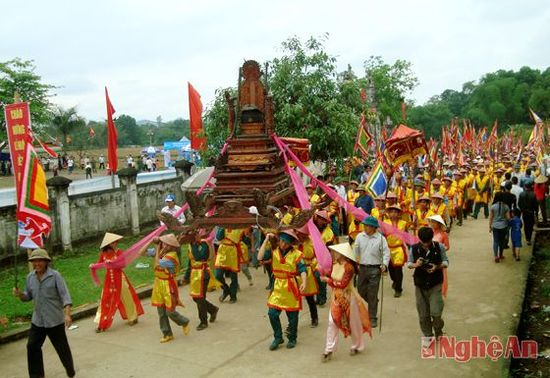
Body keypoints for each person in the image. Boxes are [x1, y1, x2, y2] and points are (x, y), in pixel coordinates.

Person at [13, 249, 76, 378]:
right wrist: (20, 295)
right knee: (32, 347)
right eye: (34, 261)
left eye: (40, 260)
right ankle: (37, 375)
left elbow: (65, 296)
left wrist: (67, 314)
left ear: (46, 262)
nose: (37, 263)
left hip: (54, 320)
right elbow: (28, 297)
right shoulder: (30, 277)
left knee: (62, 349)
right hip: (38, 320)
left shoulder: (55, 276)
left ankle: (70, 370)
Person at [320, 243, 372, 361]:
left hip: (348, 298)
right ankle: (328, 350)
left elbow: (342, 284)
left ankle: (357, 345)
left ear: (342, 254)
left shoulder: (349, 267)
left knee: (353, 324)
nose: (333, 254)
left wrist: (327, 280)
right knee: (332, 322)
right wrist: (321, 271)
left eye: (335, 252)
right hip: (336, 298)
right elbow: (329, 275)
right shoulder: (335, 264)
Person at [257, 229, 307, 350]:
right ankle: (278, 337)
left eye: (286, 242)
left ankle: (292, 338)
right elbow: (260, 257)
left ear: (291, 244)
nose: (283, 244)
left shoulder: (296, 254)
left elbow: (302, 269)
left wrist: (304, 282)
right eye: (282, 241)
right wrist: (266, 240)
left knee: (292, 316)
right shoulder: (273, 251)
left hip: (291, 286)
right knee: (272, 313)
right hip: (278, 286)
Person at [407, 227, 449, 349]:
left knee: (436, 312)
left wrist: (437, 266)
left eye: (428, 242)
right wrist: (416, 264)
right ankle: (427, 335)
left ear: (431, 239)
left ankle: (438, 329)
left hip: (435, 283)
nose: (425, 244)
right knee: (423, 314)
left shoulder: (439, 247)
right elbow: (409, 263)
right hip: (420, 284)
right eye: (423, 242)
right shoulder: (414, 248)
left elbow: (446, 262)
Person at [93, 233, 144, 332]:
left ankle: (133, 317)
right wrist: (93, 266)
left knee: (126, 297)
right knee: (105, 298)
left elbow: (123, 264)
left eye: (115, 242)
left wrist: (113, 263)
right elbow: (100, 264)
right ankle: (101, 321)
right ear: (108, 244)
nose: (115, 244)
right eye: (112, 242)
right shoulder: (103, 254)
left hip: (120, 278)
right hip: (109, 279)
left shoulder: (119, 252)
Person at [145, 234, 190, 343]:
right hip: (158, 283)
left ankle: (184, 321)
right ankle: (167, 333)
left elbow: (157, 263)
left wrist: (156, 248)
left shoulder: (172, 257)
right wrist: (149, 240)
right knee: (161, 311)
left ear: (171, 246)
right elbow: (141, 253)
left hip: (168, 284)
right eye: (163, 242)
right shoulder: (161, 251)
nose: (163, 244)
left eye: (166, 243)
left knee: (170, 311)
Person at [352, 216, 390, 328]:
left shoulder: (381, 239)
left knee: (372, 293)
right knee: (361, 291)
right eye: (364, 225)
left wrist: (384, 264)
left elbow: (386, 253)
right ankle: (373, 302)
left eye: (367, 225)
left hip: (375, 269)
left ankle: (372, 317)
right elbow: (355, 251)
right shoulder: (359, 236)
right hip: (362, 268)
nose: (365, 227)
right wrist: (353, 264)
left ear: (374, 228)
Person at [188, 230, 219, 330]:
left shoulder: (204, 244)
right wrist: (185, 277)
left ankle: (203, 321)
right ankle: (212, 309)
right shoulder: (191, 245)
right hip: (194, 274)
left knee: (200, 298)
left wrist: (193, 245)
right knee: (195, 298)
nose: (194, 237)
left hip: (203, 274)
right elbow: (191, 262)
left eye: (195, 235)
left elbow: (199, 257)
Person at [215, 227, 246, 303]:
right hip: (222, 251)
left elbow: (238, 238)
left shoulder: (238, 226)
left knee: (233, 276)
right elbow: (218, 237)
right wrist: (222, 226)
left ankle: (233, 296)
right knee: (218, 275)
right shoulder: (222, 225)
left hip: (232, 251)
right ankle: (226, 290)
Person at [489, 192, 511, 262]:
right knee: (502, 241)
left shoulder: (493, 206)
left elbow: (491, 217)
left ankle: (496, 256)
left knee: (495, 241)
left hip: (495, 226)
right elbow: (508, 218)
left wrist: (490, 226)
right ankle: (501, 255)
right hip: (503, 226)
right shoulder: (506, 206)